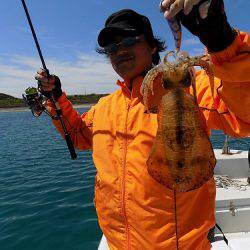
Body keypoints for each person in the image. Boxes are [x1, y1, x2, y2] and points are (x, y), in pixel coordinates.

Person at [35, 0, 250, 249]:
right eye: (111, 48)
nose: (120, 50)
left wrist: (222, 42)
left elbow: (244, 116)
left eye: (129, 41)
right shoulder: (105, 106)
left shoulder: (189, 87)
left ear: (151, 45)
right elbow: (79, 136)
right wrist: (56, 99)